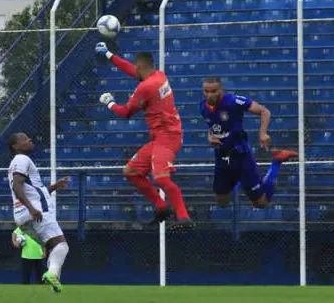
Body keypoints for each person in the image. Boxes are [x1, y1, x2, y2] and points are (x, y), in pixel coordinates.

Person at [95, 42, 193, 228]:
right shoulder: (158, 75)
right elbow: (133, 71)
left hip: (167, 137)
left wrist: (109, 103)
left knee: (161, 178)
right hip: (161, 137)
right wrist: (109, 55)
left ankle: (184, 217)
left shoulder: (145, 88)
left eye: (136, 67)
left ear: (140, 66)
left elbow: (126, 112)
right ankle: (161, 206)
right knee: (131, 172)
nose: (134, 70)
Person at [200, 77, 298, 208]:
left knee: (261, 203)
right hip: (222, 156)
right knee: (222, 201)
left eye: (213, 91)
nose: (209, 95)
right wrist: (210, 137)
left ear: (221, 90)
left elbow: (264, 111)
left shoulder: (233, 101)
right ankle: (239, 181)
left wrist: (263, 133)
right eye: (206, 91)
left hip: (241, 156)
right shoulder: (203, 106)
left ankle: (276, 161)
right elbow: (213, 126)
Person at [8, 132, 70, 292]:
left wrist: (54, 187)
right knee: (62, 246)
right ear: (16, 146)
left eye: (29, 137)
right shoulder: (22, 159)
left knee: (53, 248)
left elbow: (33, 191)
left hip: (22, 216)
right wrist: (31, 208)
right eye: (24, 139)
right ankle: (52, 274)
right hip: (37, 212)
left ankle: (53, 287)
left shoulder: (17, 162)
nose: (30, 139)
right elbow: (17, 185)